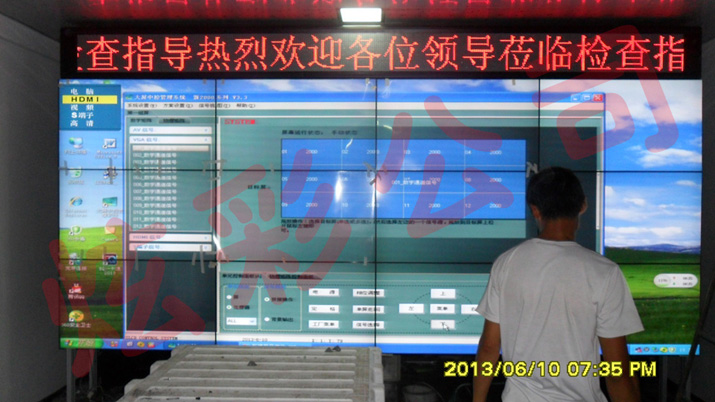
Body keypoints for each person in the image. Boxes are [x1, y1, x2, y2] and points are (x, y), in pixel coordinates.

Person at [473, 167, 643, 402]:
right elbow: (618, 372)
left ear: (535, 210)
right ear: (583, 205)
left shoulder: (507, 262)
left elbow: (489, 348)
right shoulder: (605, 272)